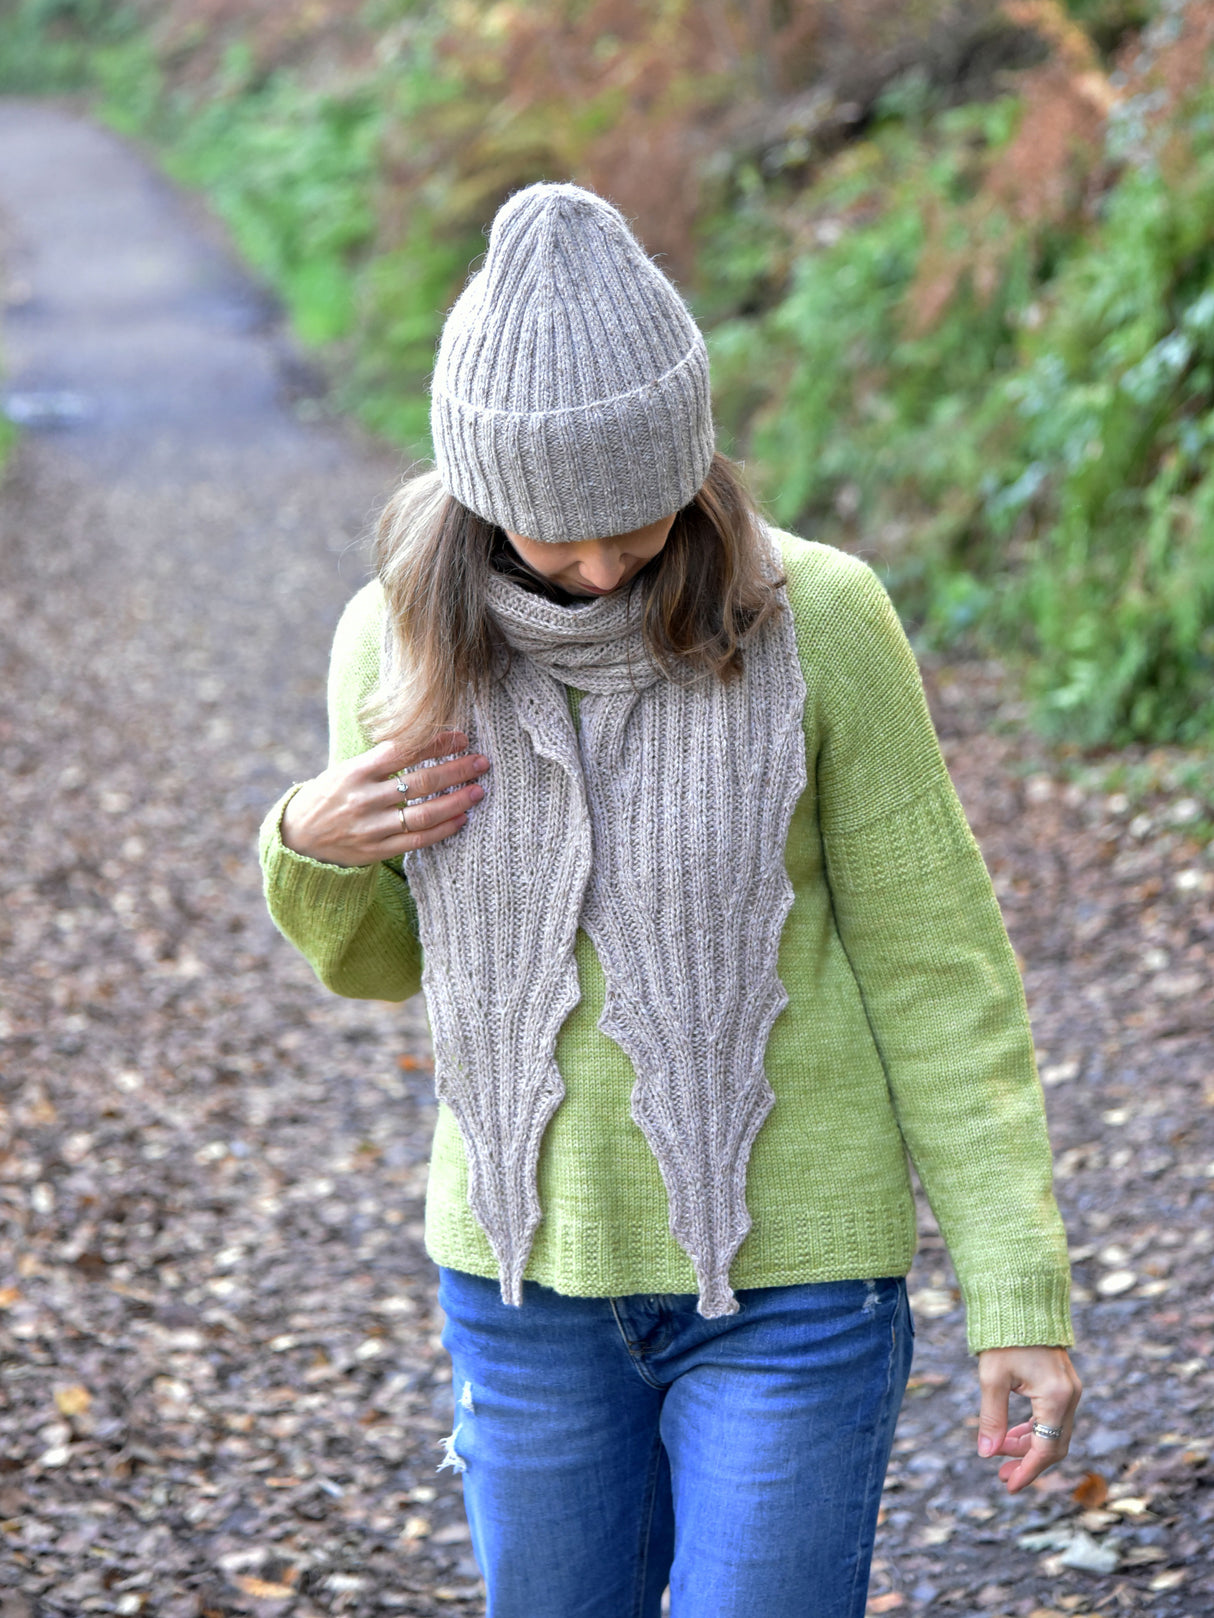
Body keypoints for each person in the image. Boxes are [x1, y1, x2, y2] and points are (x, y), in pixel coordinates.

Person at [259, 181, 1081, 1618]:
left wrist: (1016, 1291)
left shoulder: (819, 619)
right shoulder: (391, 642)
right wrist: (314, 849)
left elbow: (937, 965)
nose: (598, 565)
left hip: (796, 1285)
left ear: (691, 463)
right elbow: (390, 965)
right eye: (547, 534)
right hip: (523, 1293)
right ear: (472, 499)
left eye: (632, 520)